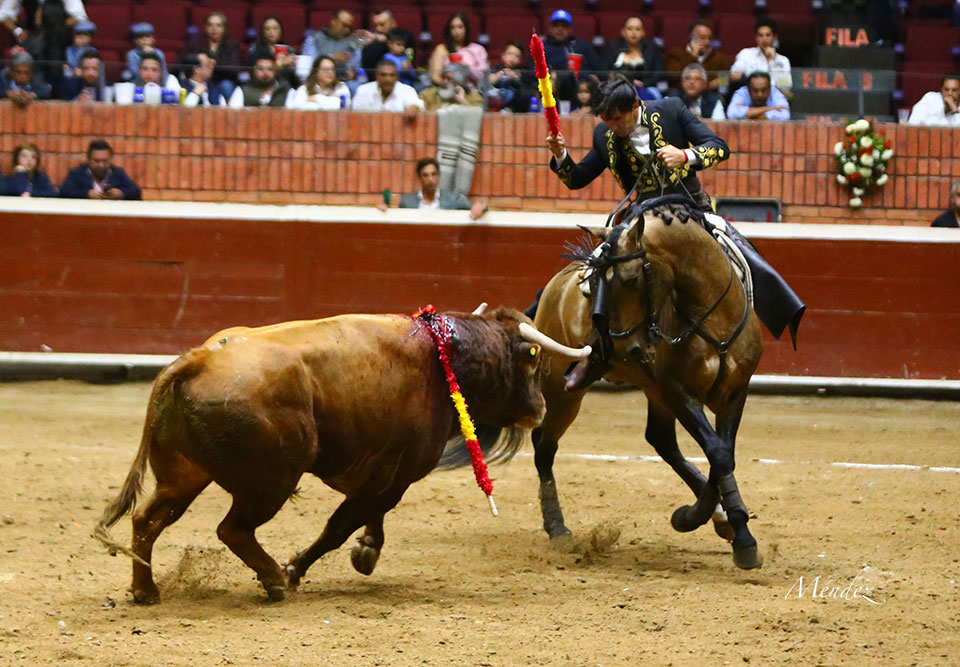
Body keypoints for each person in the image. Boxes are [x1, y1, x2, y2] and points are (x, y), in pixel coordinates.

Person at [542, 75, 803, 389]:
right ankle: (595, 353)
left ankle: (763, 314)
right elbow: (578, 178)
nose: (613, 125)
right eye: (606, 119)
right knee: (600, 269)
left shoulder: (671, 109)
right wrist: (560, 155)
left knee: (741, 252)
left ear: (635, 106)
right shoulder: (604, 134)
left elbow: (719, 148)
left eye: (617, 118)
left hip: (689, 207)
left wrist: (686, 155)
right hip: (641, 217)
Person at [379, 157, 485, 220]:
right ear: (419, 178)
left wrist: (479, 205)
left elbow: (482, 207)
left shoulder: (453, 198)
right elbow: (396, 222)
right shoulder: (407, 201)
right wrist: (381, 210)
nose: (430, 179)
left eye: (434, 174)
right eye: (425, 175)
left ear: (439, 176)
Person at [180, 11, 243, 102]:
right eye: (210, 25)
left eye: (218, 25)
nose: (214, 29)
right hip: (199, 79)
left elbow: (234, 68)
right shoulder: (196, 42)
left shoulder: (232, 45)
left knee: (226, 85)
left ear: (224, 28)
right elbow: (185, 59)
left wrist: (215, 64)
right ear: (206, 27)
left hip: (221, 79)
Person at [540, 9, 599, 101]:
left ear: (570, 29)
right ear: (550, 29)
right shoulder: (542, 48)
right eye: (556, 25)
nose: (560, 29)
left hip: (582, 89)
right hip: (553, 89)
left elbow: (597, 72)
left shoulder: (582, 45)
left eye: (564, 26)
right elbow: (532, 74)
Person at [601, 15, 665, 94]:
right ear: (623, 32)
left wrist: (644, 84)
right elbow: (603, 72)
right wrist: (626, 82)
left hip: (646, 87)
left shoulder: (651, 47)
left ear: (643, 32)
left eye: (638, 29)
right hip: (617, 87)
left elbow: (659, 73)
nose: (633, 32)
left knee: (654, 93)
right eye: (630, 29)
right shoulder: (612, 46)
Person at [60, 139, 141, 200]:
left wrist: (121, 194)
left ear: (111, 159)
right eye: (96, 161)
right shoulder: (77, 173)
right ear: (88, 159)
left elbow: (136, 191)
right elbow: (64, 191)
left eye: (105, 161)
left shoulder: (118, 173)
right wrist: (87, 194)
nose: (101, 165)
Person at [664, 19, 731, 92]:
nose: (707, 42)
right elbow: (673, 79)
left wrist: (715, 84)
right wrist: (692, 56)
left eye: (709, 38)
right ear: (691, 37)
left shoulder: (720, 57)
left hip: (710, 95)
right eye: (702, 37)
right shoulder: (675, 54)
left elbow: (726, 79)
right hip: (681, 94)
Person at [730, 17, 791, 93]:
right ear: (756, 38)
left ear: (774, 37)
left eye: (768, 35)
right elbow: (733, 76)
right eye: (760, 35)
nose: (764, 39)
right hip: (749, 93)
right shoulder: (746, 54)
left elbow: (785, 88)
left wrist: (774, 61)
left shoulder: (783, 60)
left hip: (774, 95)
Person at [427, 12, 488, 87]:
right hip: (447, 90)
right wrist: (448, 85)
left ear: (466, 29)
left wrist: (467, 68)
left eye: (460, 27)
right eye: (453, 27)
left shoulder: (478, 49)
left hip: (472, 91)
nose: (456, 31)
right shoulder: (442, 49)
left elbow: (484, 77)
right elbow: (435, 77)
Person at [351, 59, 422, 116]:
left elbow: (415, 105)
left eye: (392, 75)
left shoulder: (407, 91)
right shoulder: (363, 90)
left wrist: (413, 108)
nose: (388, 79)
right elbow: (355, 115)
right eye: (383, 75)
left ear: (397, 77)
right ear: (376, 76)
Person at [247, 14, 298, 89]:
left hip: (287, 87)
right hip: (263, 86)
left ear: (281, 31)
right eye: (267, 29)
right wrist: (279, 63)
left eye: (275, 28)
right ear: (263, 32)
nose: (271, 32)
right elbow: (255, 73)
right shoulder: (254, 50)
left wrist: (295, 66)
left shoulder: (290, 50)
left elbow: (295, 79)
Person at [228, 56, 292, 108]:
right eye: (260, 69)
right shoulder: (242, 91)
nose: (265, 73)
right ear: (254, 71)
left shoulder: (286, 91)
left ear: (275, 72)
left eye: (270, 69)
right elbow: (233, 116)